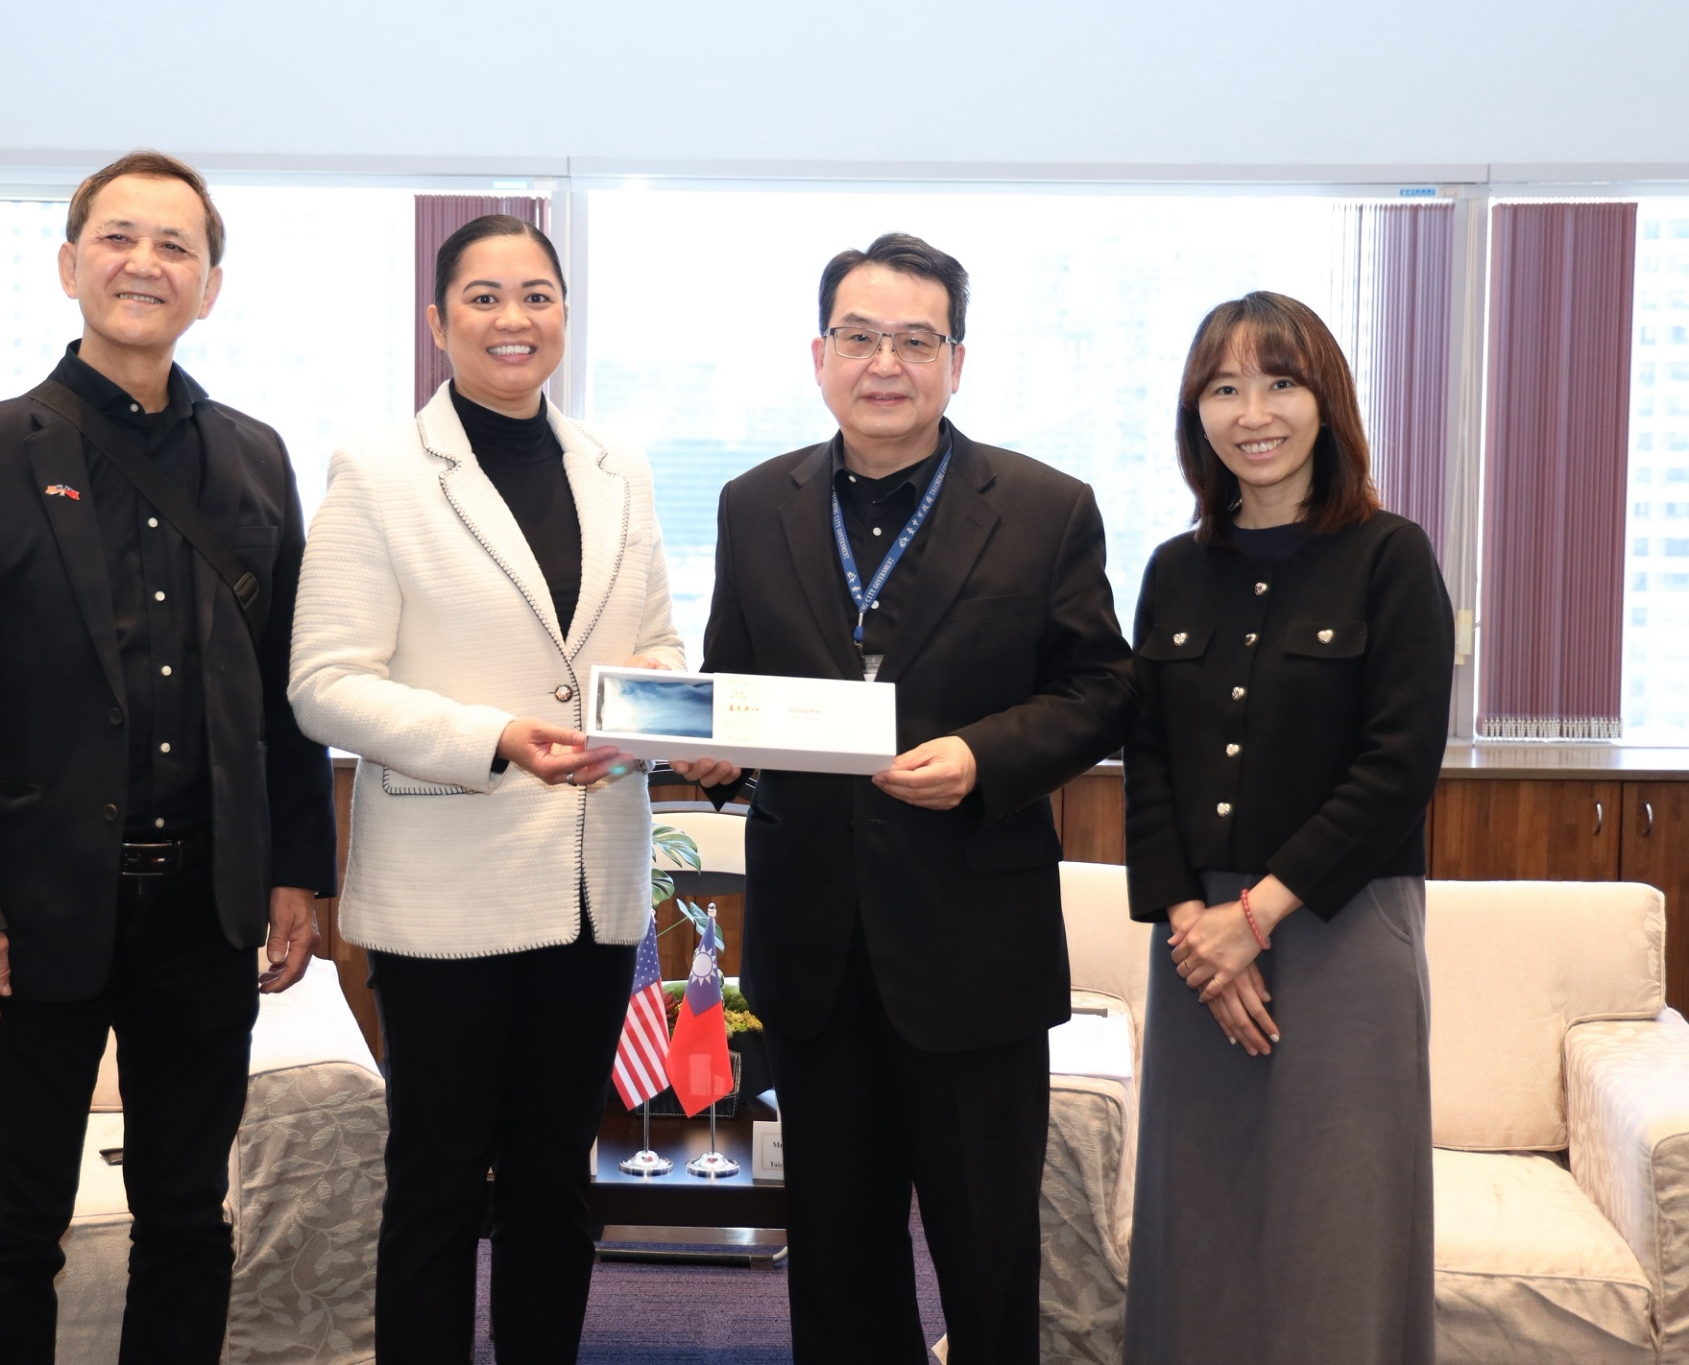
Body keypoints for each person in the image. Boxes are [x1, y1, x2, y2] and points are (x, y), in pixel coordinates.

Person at [0, 150, 337, 1363]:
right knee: (15, 1222)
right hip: (32, 913)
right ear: (69, 264)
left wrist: (297, 870)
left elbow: (285, 689)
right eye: (119, 238)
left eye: (175, 245)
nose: (145, 263)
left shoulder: (254, 456)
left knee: (187, 1216)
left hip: (205, 904)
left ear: (210, 286)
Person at [681, 233, 1137, 1363]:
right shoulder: (753, 503)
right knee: (838, 1255)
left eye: (914, 341)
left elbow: (1100, 691)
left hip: (972, 944)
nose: (884, 363)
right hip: (813, 946)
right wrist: (712, 750)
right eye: (859, 337)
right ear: (819, 354)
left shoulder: (1044, 506)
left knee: (987, 1256)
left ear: (955, 361)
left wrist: (983, 757)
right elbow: (732, 682)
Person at [285, 214, 682, 1363]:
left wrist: (642, 716)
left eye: (536, 296)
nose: (514, 319)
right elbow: (322, 685)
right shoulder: (379, 472)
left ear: (564, 313)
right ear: (437, 320)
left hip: (591, 883)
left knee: (557, 1174)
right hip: (446, 888)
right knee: (438, 1179)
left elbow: (656, 647)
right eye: (484, 297)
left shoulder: (616, 468)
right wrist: (493, 736)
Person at [1122, 291, 1453, 1364]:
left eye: (1279, 383)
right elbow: (1149, 764)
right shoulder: (1173, 570)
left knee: (1338, 1216)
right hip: (1195, 943)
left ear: (1326, 403)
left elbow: (1396, 768)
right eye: (1223, 388)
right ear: (1196, 413)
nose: (1251, 413)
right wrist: (1194, 923)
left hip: (1340, 926)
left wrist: (1252, 918)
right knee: (1196, 1214)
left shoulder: (1390, 556)